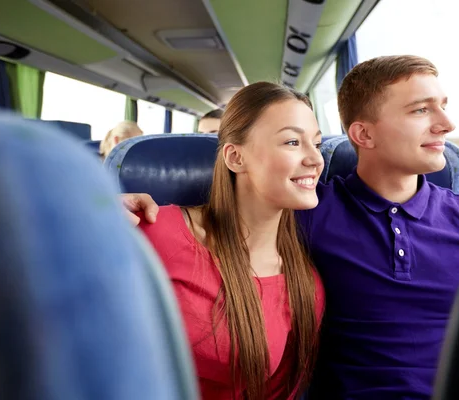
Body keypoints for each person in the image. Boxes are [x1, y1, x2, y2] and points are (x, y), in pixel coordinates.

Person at [122, 55, 459, 399]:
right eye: (421, 109)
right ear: (362, 134)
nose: (447, 124)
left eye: (315, 142)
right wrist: (102, 212)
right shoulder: (308, 215)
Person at [138, 82, 325, 400]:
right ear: (236, 158)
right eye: (293, 142)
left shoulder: (305, 285)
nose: (315, 159)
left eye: (317, 144)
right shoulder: (156, 230)